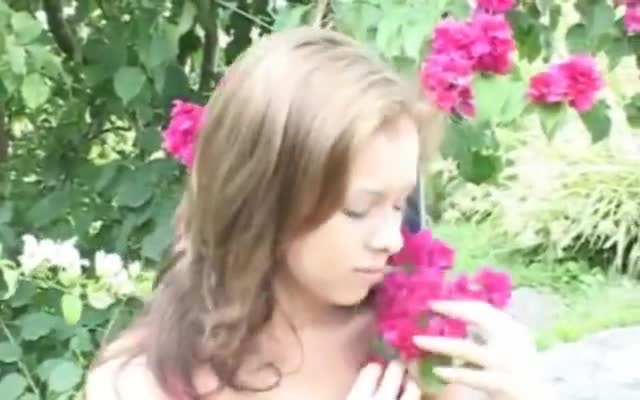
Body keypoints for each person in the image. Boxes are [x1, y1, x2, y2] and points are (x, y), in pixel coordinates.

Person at [85, 27, 551, 400]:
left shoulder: (408, 341)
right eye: (358, 209)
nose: (391, 239)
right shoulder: (141, 383)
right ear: (263, 200)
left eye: (399, 204)